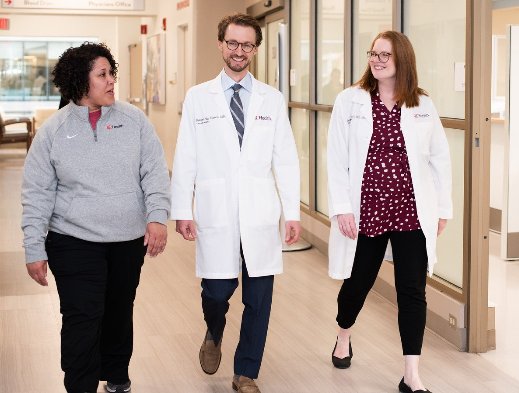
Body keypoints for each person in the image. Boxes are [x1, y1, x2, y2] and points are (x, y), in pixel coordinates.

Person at [21, 42, 171, 393]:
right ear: (80, 82)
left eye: (111, 73)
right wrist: (33, 247)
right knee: (81, 317)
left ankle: (117, 374)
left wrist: (158, 216)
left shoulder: (134, 121)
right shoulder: (54, 132)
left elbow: (154, 172)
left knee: (119, 311)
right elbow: (36, 192)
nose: (111, 81)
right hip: (72, 240)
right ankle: (80, 385)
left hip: (126, 240)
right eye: (102, 75)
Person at [170, 14, 301, 393]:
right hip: (217, 210)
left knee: (259, 299)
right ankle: (214, 328)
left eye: (246, 45)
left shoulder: (271, 99)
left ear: (255, 50)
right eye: (232, 43)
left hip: (260, 213)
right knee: (216, 291)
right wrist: (182, 210)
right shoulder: (198, 97)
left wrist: (291, 212)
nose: (238, 51)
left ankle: (246, 372)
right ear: (220, 44)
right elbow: (186, 158)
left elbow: (286, 159)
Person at [326, 31, 452, 393]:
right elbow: (335, 159)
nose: (377, 60)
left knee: (412, 290)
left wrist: (442, 208)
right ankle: (343, 334)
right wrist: (341, 208)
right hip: (366, 210)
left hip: (410, 210)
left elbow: (440, 159)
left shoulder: (422, 104)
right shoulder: (350, 100)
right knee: (358, 284)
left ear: (403, 61)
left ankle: (411, 374)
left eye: (386, 55)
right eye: (374, 53)